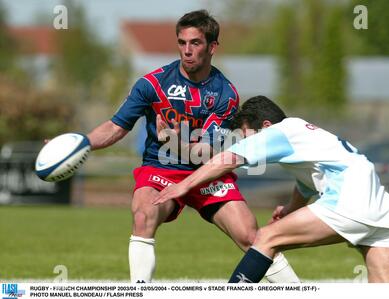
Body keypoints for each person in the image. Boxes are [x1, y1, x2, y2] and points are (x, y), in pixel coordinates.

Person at [86, 11, 298, 283]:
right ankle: (140, 292)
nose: (187, 51)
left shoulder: (225, 94)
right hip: (160, 169)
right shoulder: (152, 84)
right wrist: (81, 144)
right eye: (182, 42)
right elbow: (116, 127)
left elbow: (206, 153)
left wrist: (175, 143)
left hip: (205, 172)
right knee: (143, 215)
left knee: (251, 236)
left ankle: (298, 292)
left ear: (212, 47)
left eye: (195, 43)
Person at [153, 95, 389, 283]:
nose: (246, 143)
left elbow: (227, 160)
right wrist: (289, 208)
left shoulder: (281, 131)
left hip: (349, 202)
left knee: (266, 238)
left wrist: (183, 185)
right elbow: (308, 184)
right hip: (382, 209)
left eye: (246, 136)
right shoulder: (306, 136)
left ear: (265, 126)